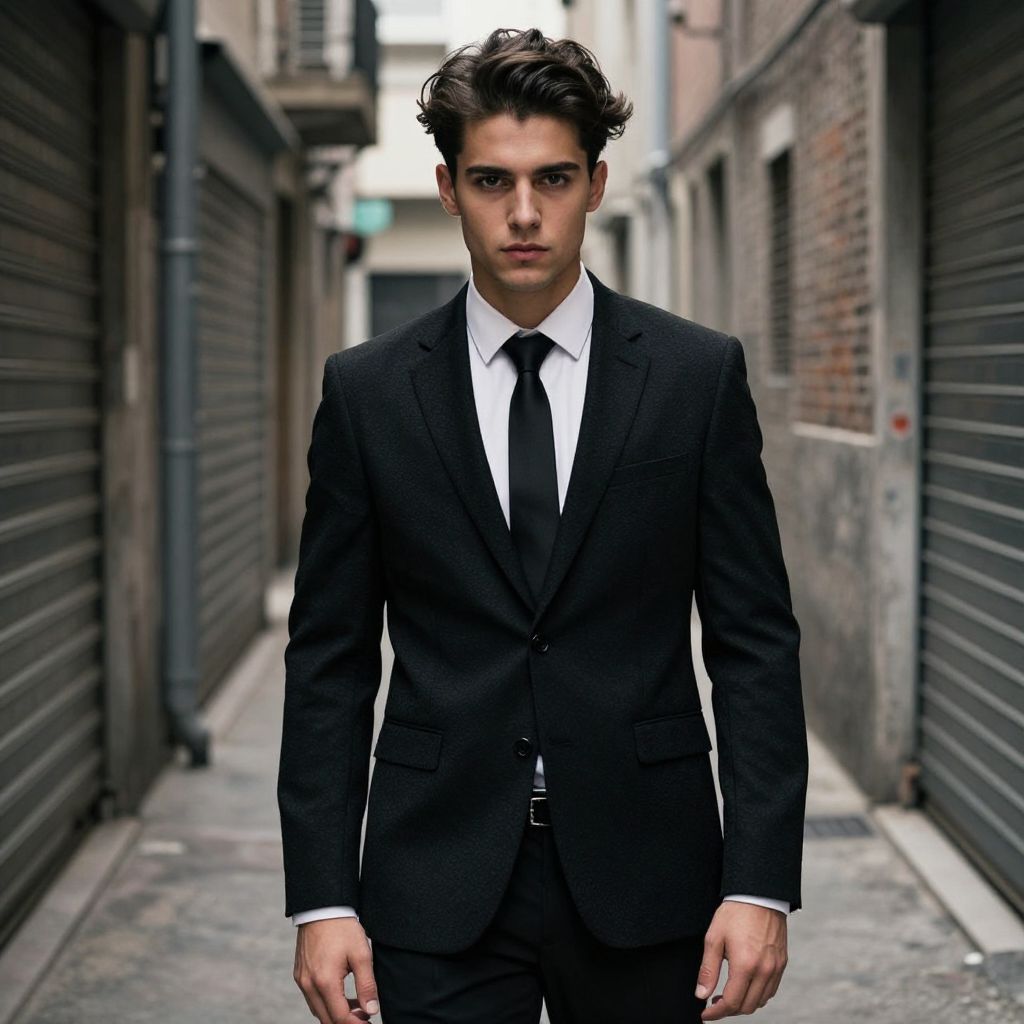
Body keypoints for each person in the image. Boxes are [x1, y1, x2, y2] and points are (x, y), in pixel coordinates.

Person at [277, 26, 808, 1024]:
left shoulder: (695, 379)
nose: (524, 213)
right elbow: (329, 662)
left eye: (553, 179)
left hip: (648, 868)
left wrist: (760, 882)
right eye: (492, 181)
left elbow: (753, 644)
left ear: (596, 184)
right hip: (435, 872)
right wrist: (321, 897)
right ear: (449, 189)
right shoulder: (368, 393)